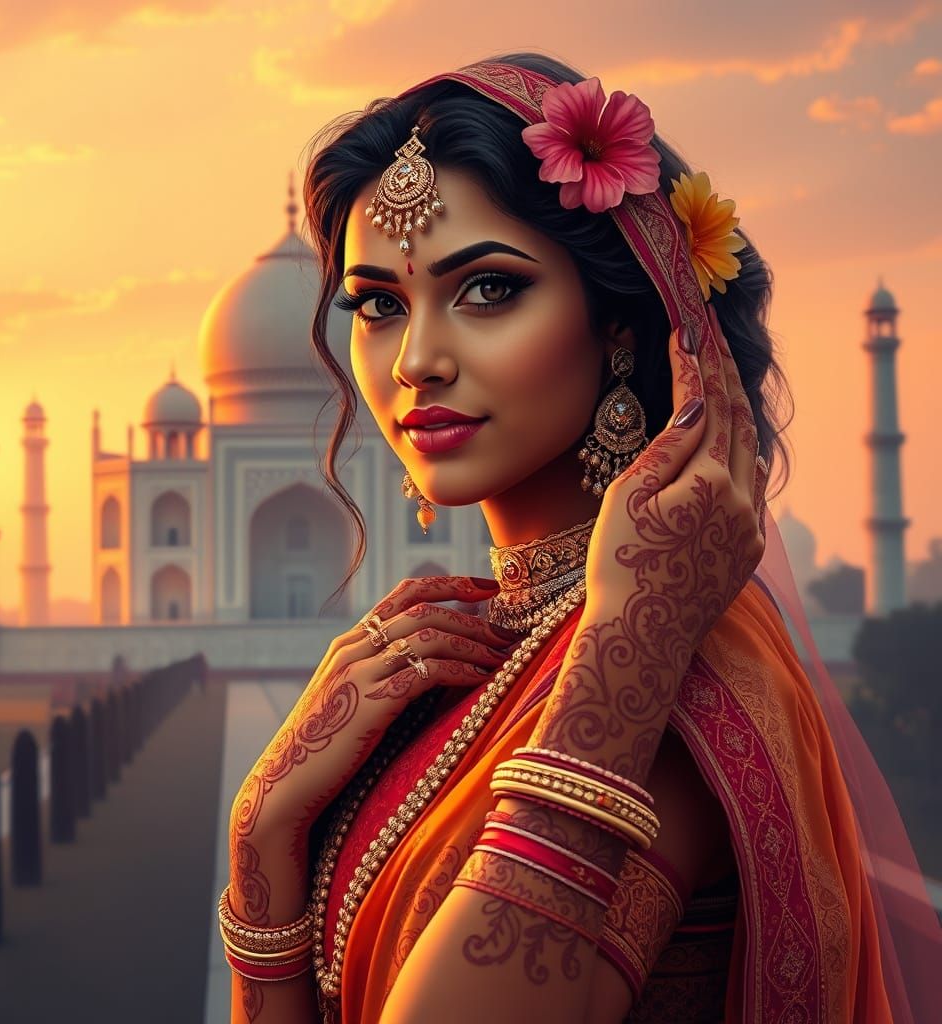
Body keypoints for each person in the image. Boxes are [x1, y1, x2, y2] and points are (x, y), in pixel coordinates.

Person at [220, 54, 941, 1023]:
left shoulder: (674, 677)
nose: (417, 360)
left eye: (487, 290)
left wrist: (631, 646)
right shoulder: (463, 647)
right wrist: (263, 832)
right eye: (380, 305)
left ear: (620, 325)